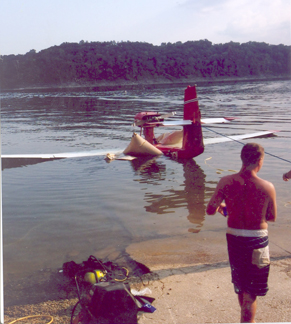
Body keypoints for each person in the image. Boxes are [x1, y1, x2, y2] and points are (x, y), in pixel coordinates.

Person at [206, 143, 277, 323]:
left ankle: (245, 319)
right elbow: (271, 216)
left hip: (235, 239)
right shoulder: (267, 187)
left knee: (242, 285)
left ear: (242, 159)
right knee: (251, 289)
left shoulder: (226, 182)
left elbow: (210, 210)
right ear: (260, 161)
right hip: (257, 241)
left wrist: (228, 209)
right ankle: (247, 321)